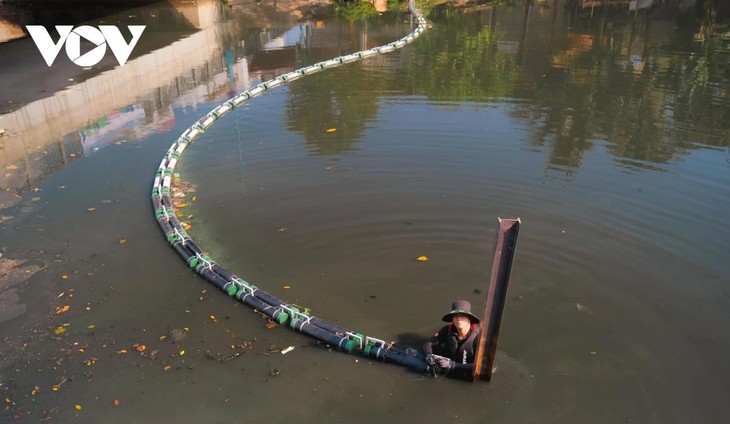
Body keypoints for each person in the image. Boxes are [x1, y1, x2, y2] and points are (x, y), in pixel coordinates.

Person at [423, 300, 481, 377]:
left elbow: (482, 367)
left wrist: (453, 365)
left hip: (466, 372)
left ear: (469, 318)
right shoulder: (447, 330)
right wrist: (429, 355)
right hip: (447, 368)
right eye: (455, 316)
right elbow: (428, 343)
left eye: (462, 315)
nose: (458, 319)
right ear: (452, 319)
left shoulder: (478, 337)